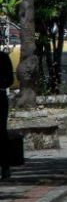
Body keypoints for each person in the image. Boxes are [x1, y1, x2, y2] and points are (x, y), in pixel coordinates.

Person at [1, 49, 12, 179]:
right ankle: (5, 167)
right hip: (1, 96)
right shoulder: (3, 57)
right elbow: (10, 80)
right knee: (2, 133)